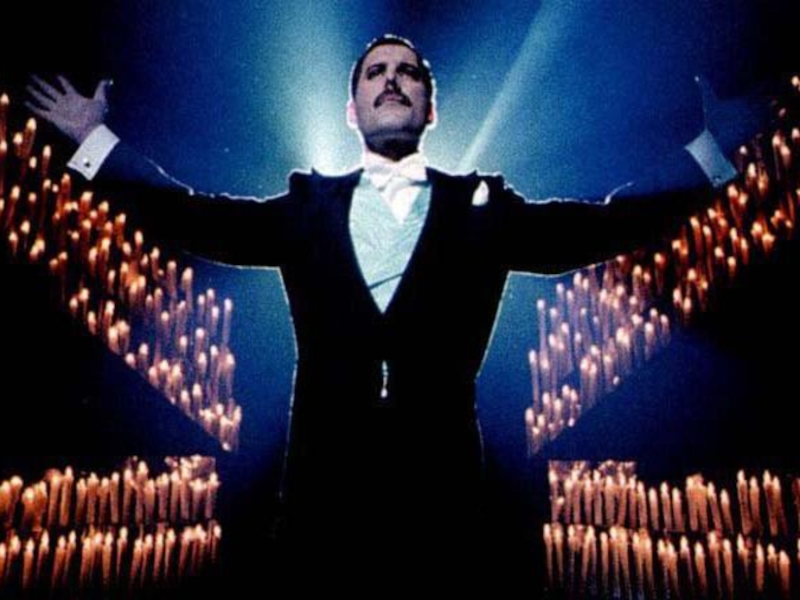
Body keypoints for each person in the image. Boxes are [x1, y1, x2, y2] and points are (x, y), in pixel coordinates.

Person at [26, 34, 752, 584]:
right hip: (320, 497)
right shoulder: (306, 206)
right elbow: (190, 216)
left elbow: (606, 225)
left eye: (407, 72)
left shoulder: (484, 207)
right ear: (351, 110)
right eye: (375, 73)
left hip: (443, 498)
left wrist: (710, 153)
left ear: (431, 108)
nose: (392, 80)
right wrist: (94, 141)